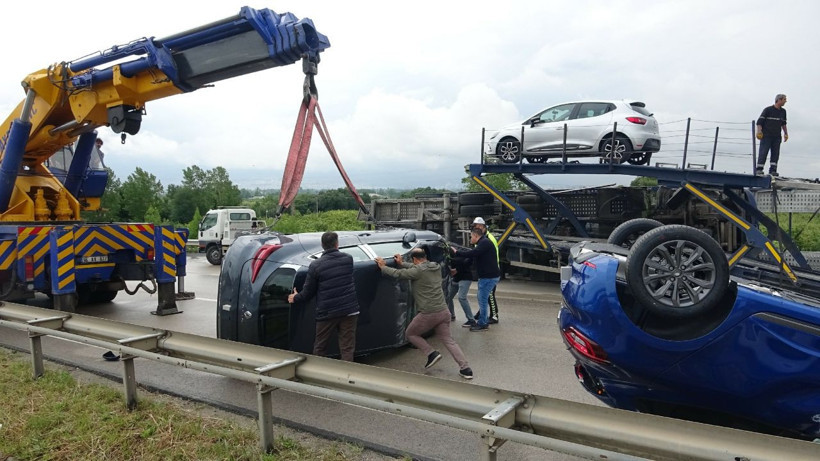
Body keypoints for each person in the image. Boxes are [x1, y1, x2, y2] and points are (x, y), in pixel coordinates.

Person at [376, 247, 473, 379]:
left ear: (415, 259)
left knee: (410, 334)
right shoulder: (435, 266)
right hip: (444, 311)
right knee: (449, 340)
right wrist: (402, 263)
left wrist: (383, 267)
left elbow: (399, 274)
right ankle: (466, 369)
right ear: (425, 257)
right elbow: (416, 268)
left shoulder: (417, 271)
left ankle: (431, 353)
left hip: (429, 312)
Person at [288, 231, 359, 361]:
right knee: (347, 347)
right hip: (349, 310)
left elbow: (308, 292)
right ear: (337, 244)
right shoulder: (348, 259)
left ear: (322, 245)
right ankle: (348, 376)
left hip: (327, 312)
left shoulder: (315, 265)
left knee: (320, 347)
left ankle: (319, 375)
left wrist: (295, 297)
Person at [453, 227, 500, 332]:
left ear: (475, 236)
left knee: (482, 300)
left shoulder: (484, 243)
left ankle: (483, 323)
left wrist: (457, 253)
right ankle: (482, 321)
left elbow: (472, 253)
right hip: (487, 276)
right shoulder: (482, 243)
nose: (470, 239)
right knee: (482, 299)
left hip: (489, 277)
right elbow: (472, 257)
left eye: (470, 236)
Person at [471, 217, 500, 324]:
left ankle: (494, 315)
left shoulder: (489, 238)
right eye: (474, 226)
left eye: (478, 226)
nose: (476, 228)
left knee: (490, 294)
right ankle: (481, 312)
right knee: (483, 295)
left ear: (483, 227)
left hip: (491, 271)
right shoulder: (481, 237)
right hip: (485, 270)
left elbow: (494, 255)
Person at [755, 94, 788, 177]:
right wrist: (759, 132)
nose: (785, 101)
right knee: (763, 152)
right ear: (779, 100)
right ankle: (759, 169)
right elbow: (759, 122)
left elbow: (783, 124)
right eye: (784, 99)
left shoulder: (783, 112)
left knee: (775, 153)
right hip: (766, 135)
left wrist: (786, 133)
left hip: (776, 136)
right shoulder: (768, 110)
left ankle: (773, 170)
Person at [445, 252, 476, 328]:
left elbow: (467, 262)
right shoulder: (451, 258)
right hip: (456, 279)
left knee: (462, 297)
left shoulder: (457, 257)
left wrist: (456, 270)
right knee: (448, 296)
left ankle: (471, 320)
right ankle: (451, 315)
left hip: (465, 278)